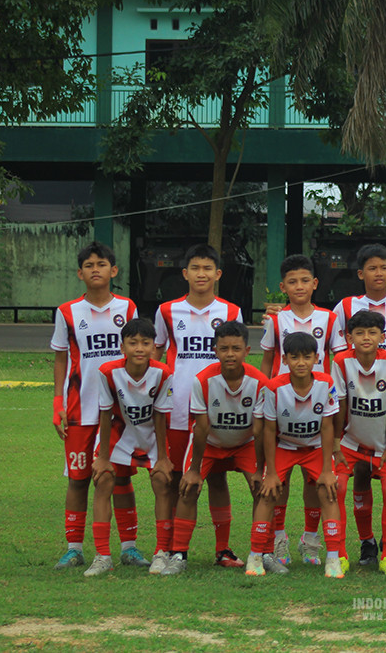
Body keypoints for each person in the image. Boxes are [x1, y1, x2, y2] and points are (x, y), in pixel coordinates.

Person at [51, 242, 146, 570]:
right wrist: (57, 403)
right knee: (77, 479)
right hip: (80, 409)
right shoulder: (67, 312)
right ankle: (74, 548)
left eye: (101, 264)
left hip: (120, 412)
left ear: (113, 271)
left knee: (120, 477)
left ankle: (130, 547)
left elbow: (138, 354)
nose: (95, 269)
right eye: (89, 265)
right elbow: (61, 359)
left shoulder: (127, 307)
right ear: (80, 273)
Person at [154, 244, 246, 569]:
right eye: (195, 268)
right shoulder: (167, 311)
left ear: (218, 274)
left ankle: (223, 550)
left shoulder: (232, 312)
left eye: (208, 269)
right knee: (179, 479)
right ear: (185, 274)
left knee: (218, 479)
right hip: (179, 409)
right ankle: (170, 550)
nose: (202, 274)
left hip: (221, 410)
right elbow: (157, 358)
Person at [259, 254, 347, 566]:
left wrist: (335, 398)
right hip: (283, 406)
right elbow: (268, 360)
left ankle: (310, 540)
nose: (299, 286)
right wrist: (267, 394)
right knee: (279, 481)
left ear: (315, 284)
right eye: (292, 282)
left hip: (319, 405)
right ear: (283, 287)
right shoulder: (276, 320)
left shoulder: (329, 319)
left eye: (304, 281)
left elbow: (337, 359)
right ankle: (279, 539)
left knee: (315, 481)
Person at [163, 321, 269, 576]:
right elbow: (200, 428)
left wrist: (261, 470)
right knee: (189, 488)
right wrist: (194, 469)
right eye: (224, 349)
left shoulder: (260, 382)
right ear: (215, 350)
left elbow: (260, 430)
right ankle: (179, 553)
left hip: (245, 443)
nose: (230, 354)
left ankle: (260, 553)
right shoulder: (203, 381)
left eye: (236, 348)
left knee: (263, 490)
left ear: (247, 350)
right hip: (209, 442)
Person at [332, 243, 386, 565]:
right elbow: (338, 402)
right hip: (353, 435)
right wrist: (337, 441)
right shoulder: (346, 311)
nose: (378, 273)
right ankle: (360, 544)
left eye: (383, 268)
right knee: (346, 483)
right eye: (372, 268)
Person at [249, 332, 344, 578]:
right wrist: (269, 472)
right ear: (285, 359)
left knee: (328, 490)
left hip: (314, 448)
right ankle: (255, 556)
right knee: (268, 493)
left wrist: (326, 469)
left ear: (317, 358)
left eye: (306, 357)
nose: (300, 362)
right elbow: (269, 430)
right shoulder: (273, 387)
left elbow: (326, 425)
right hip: (284, 447)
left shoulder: (326, 383)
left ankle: (332, 558)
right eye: (294, 357)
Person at [84, 318, 175, 576]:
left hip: (151, 434)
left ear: (154, 347)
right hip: (120, 431)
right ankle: (102, 555)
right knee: (103, 479)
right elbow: (104, 413)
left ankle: (161, 552)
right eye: (132, 343)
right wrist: (102, 458)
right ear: (122, 347)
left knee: (161, 479)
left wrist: (163, 458)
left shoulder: (164, 373)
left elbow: (160, 415)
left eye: (146, 343)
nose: (139, 348)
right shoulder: (107, 372)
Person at [331, 310, 386, 574]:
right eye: (359, 333)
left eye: (372, 332)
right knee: (336, 488)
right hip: (350, 442)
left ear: (382, 336)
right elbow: (339, 404)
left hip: (383, 446)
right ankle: (339, 553)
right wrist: (336, 444)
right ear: (349, 337)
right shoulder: (340, 361)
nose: (366, 337)